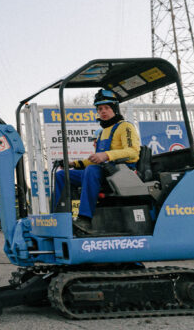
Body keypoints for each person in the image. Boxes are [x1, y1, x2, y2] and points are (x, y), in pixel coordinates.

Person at [54, 89, 141, 234]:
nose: (103, 111)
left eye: (107, 108)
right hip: (103, 173)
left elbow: (133, 151)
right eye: (100, 109)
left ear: (114, 108)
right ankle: (59, 217)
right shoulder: (102, 132)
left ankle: (84, 218)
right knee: (62, 175)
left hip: (121, 173)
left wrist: (106, 155)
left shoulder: (125, 126)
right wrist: (74, 164)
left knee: (92, 170)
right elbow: (96, 160)